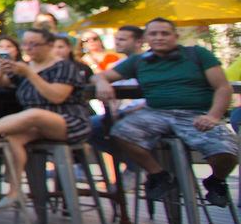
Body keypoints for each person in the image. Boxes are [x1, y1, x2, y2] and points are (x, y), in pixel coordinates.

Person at [92, 18, 238, 208]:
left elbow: (223, 87)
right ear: (146, 38)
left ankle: (216, 181)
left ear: (175, 36)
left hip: (196, 113)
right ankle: (158, 175)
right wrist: (102, 82)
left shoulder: (197, 54)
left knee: (226, 152)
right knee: (119, 130)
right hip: (156, 113)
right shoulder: (139, 61)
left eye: (165, 33)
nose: (159, 38)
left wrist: (213, 116)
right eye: (154, 34)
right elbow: (99, 75)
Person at [0, 28, 95, 210]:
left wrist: (30, 75)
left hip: (68, 121)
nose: (29, 48)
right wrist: (2, 69)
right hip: (36, 126)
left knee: (33, 114)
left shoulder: (64, 67)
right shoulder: (25, 67)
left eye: (34, 44)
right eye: (25, 44)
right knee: (14, 137)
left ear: (49, 45)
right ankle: (15, 192)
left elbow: (57, 97)